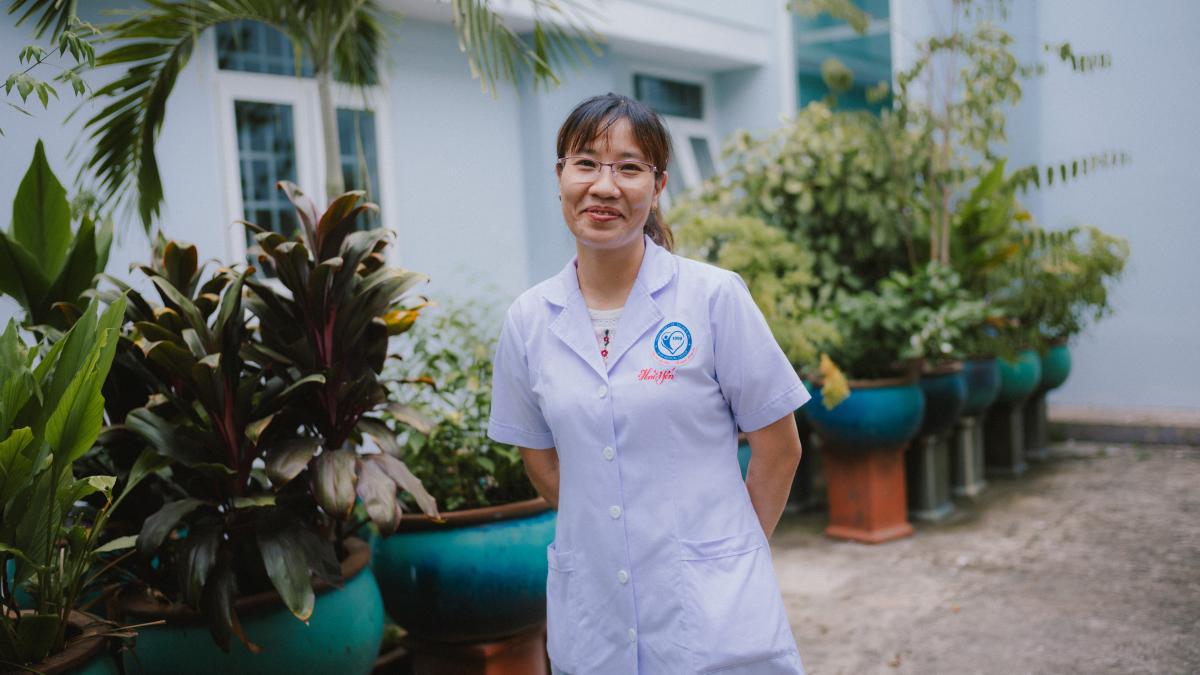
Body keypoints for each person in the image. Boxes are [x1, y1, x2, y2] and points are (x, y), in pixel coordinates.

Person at [487, 93, 809, 675]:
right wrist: (617, 525)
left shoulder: (712, 298)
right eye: (586, 163)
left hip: (717, 622)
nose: (605, 187)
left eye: (629, 167)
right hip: (595, 619)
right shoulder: (529, 319)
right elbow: (540, 460)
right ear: (560, 176)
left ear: (657, 185)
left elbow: (779, 448)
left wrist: (724, 552)